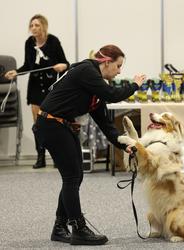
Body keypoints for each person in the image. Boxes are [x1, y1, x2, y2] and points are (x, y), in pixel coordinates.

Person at [34, 44, 146, 245]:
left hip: (61, 125)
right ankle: (78, 229)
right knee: (72, 177)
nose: (120, 71)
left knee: (75, 177)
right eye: (118, 66)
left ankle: (60, 227)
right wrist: (135, 85)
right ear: (106, 62)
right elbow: (112, 94)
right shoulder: (86, 70)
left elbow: (106, 124)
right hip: (50, 124)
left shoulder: (94, 87)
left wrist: (124, 145)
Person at [5, 14, 69, 169]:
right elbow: (28, 65)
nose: (33, 28)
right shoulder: (29, 43)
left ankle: (56, 156)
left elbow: (65, 63)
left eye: (37, 25)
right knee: (38, 125)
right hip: (34, 87)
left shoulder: (53, 41)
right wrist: (16, 71)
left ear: (44, 27)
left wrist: (62, 66)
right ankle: (40, 157)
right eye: (32, 25)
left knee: (54, 123)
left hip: (51, 87)